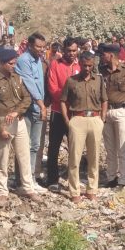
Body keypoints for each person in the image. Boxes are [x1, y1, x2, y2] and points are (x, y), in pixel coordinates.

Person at [0, 48, 41, 202]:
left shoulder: (17, 78)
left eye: (14, 63)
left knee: (24, 156)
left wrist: (17, 112)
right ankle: (2, 191)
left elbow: (27, 98)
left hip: (19, 120)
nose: (13, 66)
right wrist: (0, 128)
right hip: (3, 122)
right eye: (10, 64)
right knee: (2, 159)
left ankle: (28, 188)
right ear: (1, 63)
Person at [61, 52, 107, 203]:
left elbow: (104, 100)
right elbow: (63, 101)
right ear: (79, 64)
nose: (87, 68)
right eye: (84, 65)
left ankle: (91, 190)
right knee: (74, 158)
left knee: (94, 157)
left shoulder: (99, 80)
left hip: (95, 119)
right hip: (78, 119)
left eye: (90, 65)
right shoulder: (71, 81)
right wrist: (67, 120)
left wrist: (103, 118)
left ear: (93, 64)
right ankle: (74, 191)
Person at [101, 44, 125, 191]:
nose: (102, 57)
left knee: (123, 147)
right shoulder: (102, 70)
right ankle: (111, 178)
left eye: (104, 54)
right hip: (107, 111)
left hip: (121, 110)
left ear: (111, 55)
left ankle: (124, 180)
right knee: (110, 148)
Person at [44, 38, 81, 190]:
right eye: (69, 50)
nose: (71, 53)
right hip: (58, 111)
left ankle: (74, 178)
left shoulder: (80, 65)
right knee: (54, 146)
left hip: (76, 113)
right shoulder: (55, 64)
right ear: (63, 50)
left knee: (75, 147)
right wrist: (67, 98)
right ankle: (52, 179)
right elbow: (52, 88)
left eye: (74, 50)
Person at [16, 32, 48, 177]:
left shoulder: (38, 60)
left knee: (35, 145)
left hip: (38, 107)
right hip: (28, 108)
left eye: (43, 47)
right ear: (29, 45)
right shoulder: (24, 60)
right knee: (24, 146)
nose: (41, 49)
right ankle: (23, 180)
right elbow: (30, 85)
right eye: (38, 47)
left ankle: (32, 178)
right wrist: (42, 105)